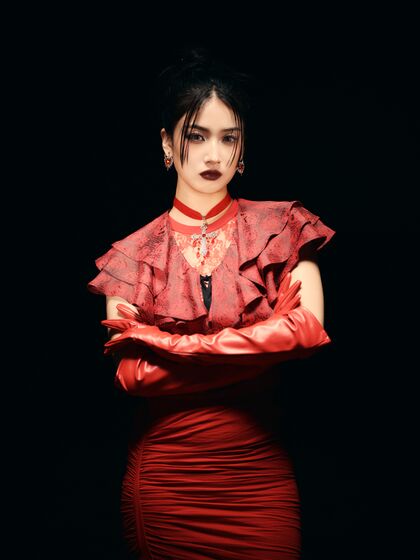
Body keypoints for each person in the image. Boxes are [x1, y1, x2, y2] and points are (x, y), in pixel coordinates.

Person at [87, 47, 335, 560]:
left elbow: (308, 332)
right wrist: (264, 346)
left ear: (243, 148)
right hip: (167, 482)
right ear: (167, 143)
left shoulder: (283, 227)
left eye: (229, 138)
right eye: (196, 136)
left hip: (258, 477)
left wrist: (165, 345)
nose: (213, 154)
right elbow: (132, 377)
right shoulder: (131, 255)